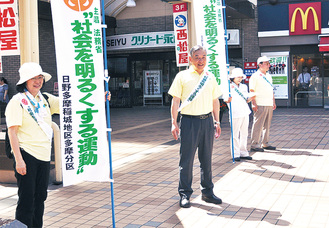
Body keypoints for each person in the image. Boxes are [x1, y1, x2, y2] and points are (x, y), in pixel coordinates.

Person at [5, 62, 60, 228]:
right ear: (25, 81)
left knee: (40, 197)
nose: (38, 81)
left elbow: (74, 102)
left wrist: (100, 97)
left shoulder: (46, 99)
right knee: (27, 199)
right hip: (26, 154)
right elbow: (12, 132)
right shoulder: (17, 101)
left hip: (44, 155)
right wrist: (19, 160)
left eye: (40, 77)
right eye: (33, 78)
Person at [168, 45, 222, 208]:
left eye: (203, 57)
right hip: (189, 122)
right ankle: (185, 194)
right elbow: (175, 100)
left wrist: (217, 121)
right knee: (186, 160)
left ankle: (207, 192)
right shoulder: (182, 76)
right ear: (190, 59)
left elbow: (215, 101)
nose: (200, 60)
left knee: (206, 159)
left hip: (207, 122)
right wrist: (174, 122)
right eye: (197, 57)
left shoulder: (210, 77)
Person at [224, 68, 255, 161]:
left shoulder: (244, 86)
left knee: (244, 133)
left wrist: (251, 97)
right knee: (235, 134)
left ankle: (244, 152)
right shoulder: (228, 86)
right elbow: (226, 99)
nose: (240, 79)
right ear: (233, 77)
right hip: (235, 112)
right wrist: (227, 100)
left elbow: (246, 99)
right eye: (238, 77)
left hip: (245, 111)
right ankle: (235, 153)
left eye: (241, 77)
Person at [250, 56, 276, 152]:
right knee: (258, 124)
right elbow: (252, 90)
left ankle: (265, 142)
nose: (269, 65)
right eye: (267, 63)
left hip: (268, 103)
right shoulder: (255, 76)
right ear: (260, 64)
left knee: (267, 125)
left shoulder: (268, 76)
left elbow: (271, 89)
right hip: (260, 103)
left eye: (269, 63)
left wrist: (273, 101)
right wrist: (253, 103)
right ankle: (254, 144)